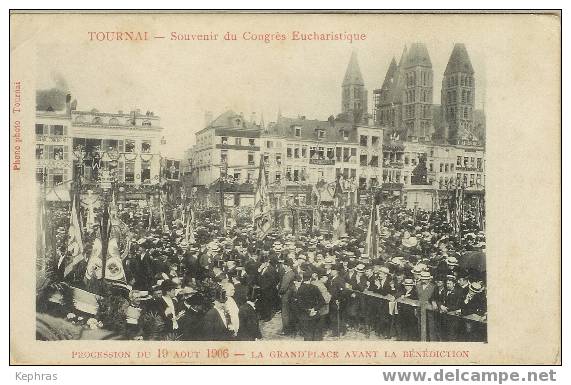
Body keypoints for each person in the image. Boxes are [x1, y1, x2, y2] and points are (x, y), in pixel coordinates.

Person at [295, 271, 325, 341]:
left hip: (305, 315)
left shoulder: (300, 289)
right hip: (315, 315)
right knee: (315, 334)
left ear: (303, 278)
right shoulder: (315, 288)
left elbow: (299, 303)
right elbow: (322, 301)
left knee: (307, 335)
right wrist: (314, 309)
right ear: (310, 279)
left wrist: (307, 310)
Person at [278, 259, 296, 335]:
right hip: (291, 295)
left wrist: (279, 293)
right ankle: (291, 329)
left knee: (285, 313)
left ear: (288, 266)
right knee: (290, 312)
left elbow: (283, 287)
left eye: (284, 265)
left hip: (285, 295)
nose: (283, 267)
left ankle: (286, 330)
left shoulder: (287, 275)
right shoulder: (292, 273)